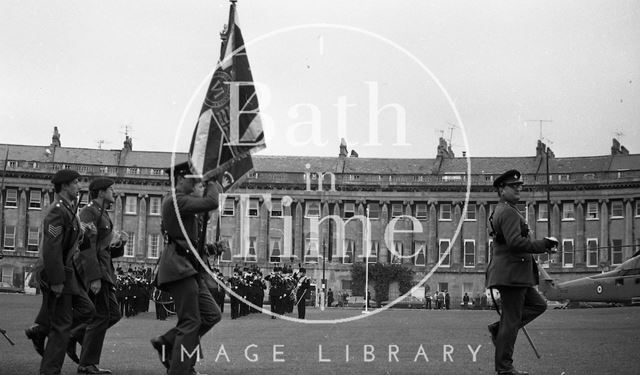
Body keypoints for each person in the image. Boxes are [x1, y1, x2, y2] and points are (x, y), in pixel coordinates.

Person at [150, 162, 223, 375]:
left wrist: (212, 247)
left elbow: (191, 243)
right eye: (193, 177)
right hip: (178, 267)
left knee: (211, 315)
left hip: (188, 268)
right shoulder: (176, 199)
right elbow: (211, 201)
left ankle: (167, 343)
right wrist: (212, 179)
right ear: (181, 178)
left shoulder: (181, 201)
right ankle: (181, 369)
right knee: (191, 321)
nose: (197, 180)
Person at [486, 169, 558, 375]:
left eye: (519, 185)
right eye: (513, 186)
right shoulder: (507, 212)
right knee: (511, 320)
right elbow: (516, 243)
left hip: (516, 274)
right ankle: (505, 369)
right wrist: (544, 244)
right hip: (511, 275)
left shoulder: (506, 210)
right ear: (501, 189)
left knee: (539, 305)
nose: (519, 188)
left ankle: (498, 330)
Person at [26, 169, 97, 375]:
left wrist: (86, 235)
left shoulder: (69, 210)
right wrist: (57, 280)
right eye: (76, 182)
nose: (79, 186)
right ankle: (50, 370)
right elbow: (52, 247)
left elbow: (71, 243)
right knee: (62, 326)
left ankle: (41, 331)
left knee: (87, 310)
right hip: (58, 276)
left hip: (67, 275)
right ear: (64, 186)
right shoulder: (58, 210)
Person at [71, 177, 127, 374]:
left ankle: (74, 336)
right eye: (111, 189)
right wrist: (94, 277)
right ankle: (86, 364)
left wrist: (120, 244)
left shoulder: (103, 214)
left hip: (105, 270)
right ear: (101, 192)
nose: (114, 191)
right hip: (95, 272)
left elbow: (105, 249)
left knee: (113, 314)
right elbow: (86, 247)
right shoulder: (88, 212)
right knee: (102, 315)